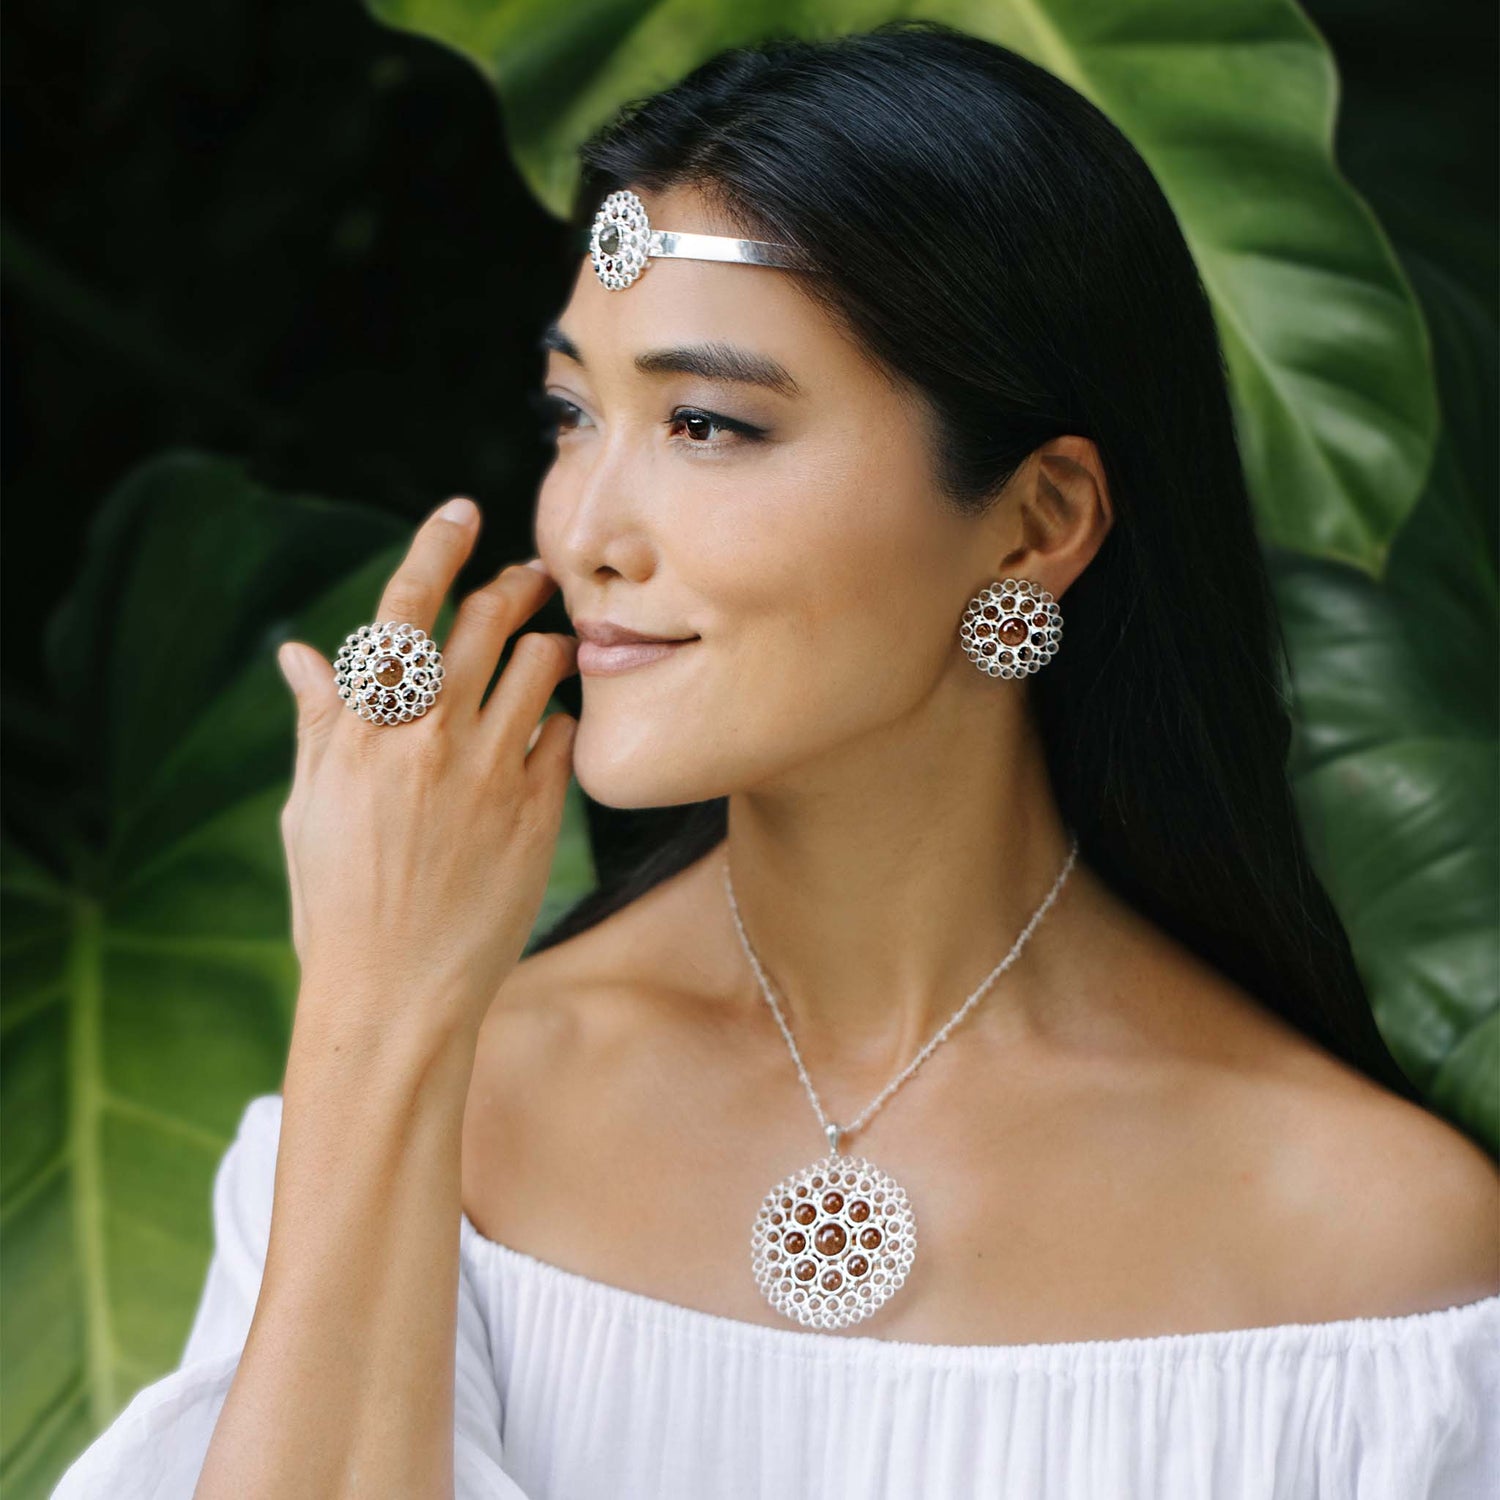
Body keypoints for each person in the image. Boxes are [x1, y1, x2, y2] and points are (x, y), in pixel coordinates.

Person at [53, 20, 1499, 1499]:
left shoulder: (1380, 1263)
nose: (583, 533)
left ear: (1036, 522)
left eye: (705, 423)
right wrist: (378, 1013)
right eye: (571, 416)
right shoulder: (437, 1108)